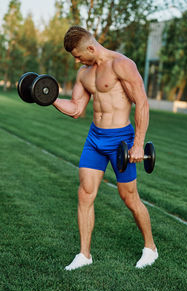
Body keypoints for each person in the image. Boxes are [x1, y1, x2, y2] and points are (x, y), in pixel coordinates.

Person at [53, 26, 158, 270]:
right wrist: (50, 99)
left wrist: (138, 144)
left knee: (129, 197)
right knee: (85, 193)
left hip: (121, 139)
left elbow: (141, 103)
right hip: (94, 139)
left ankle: (150, 248)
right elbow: (77, 109)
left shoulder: (122, 65)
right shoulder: (84, 73)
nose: (77, 60)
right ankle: (84, 254)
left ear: (91, 47)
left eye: (79, 55)